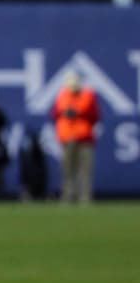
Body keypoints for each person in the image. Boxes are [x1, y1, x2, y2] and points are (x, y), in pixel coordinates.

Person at [51, 71, 100, 204]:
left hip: (84, 138)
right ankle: (68, 195)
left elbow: (95, 116)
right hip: (67, 138)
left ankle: (85, 196)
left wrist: (78, 114)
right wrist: (65, 114)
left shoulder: (87, 96)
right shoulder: (62, 96)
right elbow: (54, 115)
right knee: (67, 169)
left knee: (85, 170)